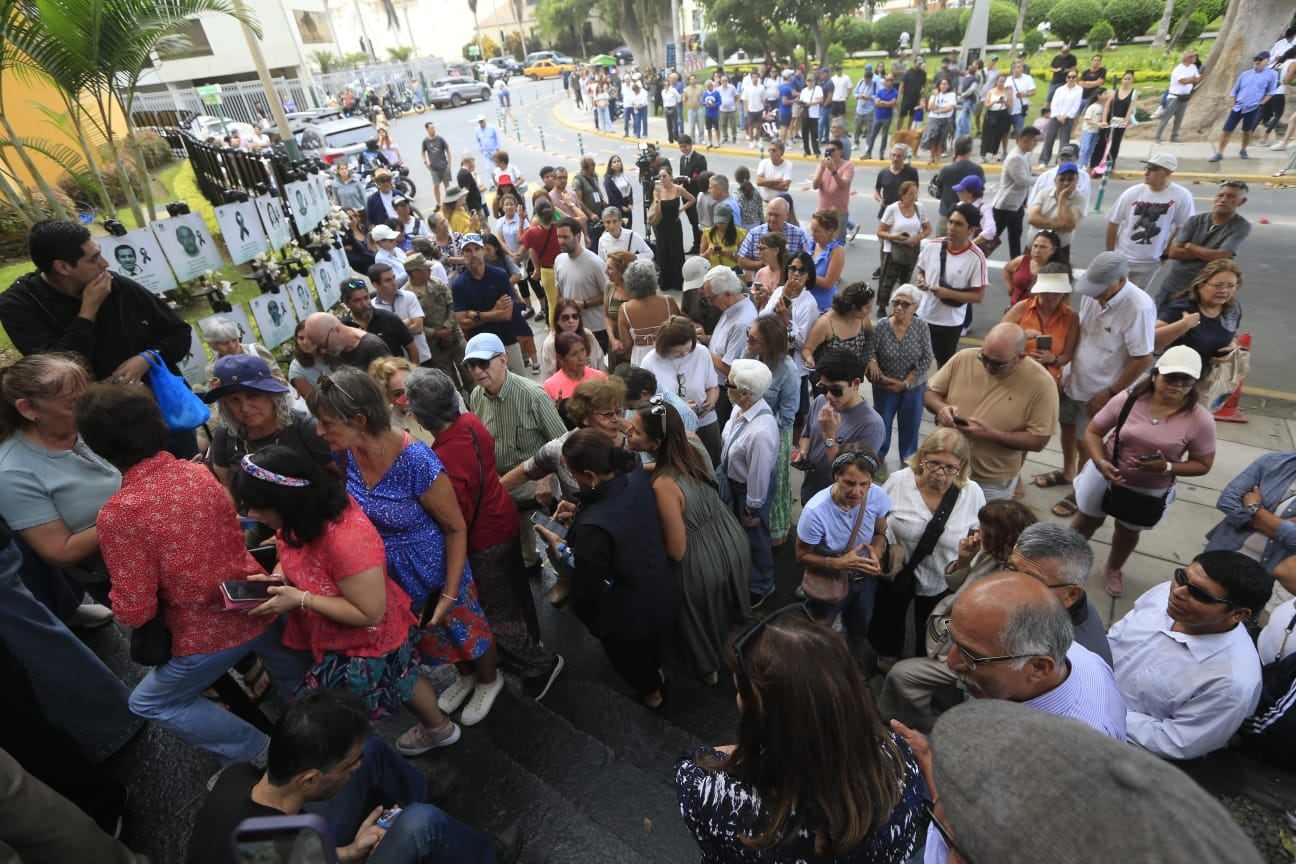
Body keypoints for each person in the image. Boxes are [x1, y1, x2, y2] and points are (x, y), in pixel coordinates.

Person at [76, 383, 306, 766]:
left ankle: (259, 752)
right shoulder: (194, 472)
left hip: (207, 629)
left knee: (149, 701)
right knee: (296, 677)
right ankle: (313, 726)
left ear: (96, 448)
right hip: (259, 596)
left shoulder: (120, 513)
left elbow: (134, 611)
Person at [229, 444, 460, 755]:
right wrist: (280, 577)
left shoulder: (346, 540)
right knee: (404, 678)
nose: (251, 515)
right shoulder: (300, 517)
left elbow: (369, 613)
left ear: (285, 500)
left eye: (257, 506)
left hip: (366, 642)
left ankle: (372, 757)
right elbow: (292, 550)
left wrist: (301, 599)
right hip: (339, 629)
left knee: (361, 703)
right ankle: (438, 728)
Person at [309, 370, 502, 729]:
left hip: (436, 568)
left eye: (326, 423)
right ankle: (466, 675)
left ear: (359, 420)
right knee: (430, 634)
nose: (320, 432)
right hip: (393, 576)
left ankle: (490, 679)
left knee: (466, 627)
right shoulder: (347, 453)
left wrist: (449, 589)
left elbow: (455, 526)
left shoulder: (416, 460)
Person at [676, 607, 923, 862]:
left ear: (767, 721)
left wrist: (740, 754)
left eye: (741, 691)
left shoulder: (708, 791)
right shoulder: (901, 764)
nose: (737, 698)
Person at [188, 690, 519, 864]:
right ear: (309, 779)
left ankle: (416, 790)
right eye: (348, 766)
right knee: (422, 824)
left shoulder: (238, 777)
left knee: (371, 751)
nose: (354, 768)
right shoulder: (283, 845)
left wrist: (348, 852)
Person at [404, 368, 564, 698]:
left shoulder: (442, 459)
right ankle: (530, 641)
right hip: (502, 518)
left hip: (483, 539)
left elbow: (454, 516)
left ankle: (538, 664)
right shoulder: (471, 424)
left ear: (419, 416)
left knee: (495, 609)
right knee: (516, 594)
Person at [0, 220, 197, 455]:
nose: (105, 264)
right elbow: (55, 373)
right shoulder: (19, 305)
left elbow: (178, 332)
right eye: (94, 258)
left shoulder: (117, 284)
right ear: (63, 267)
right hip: (102, 434)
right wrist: (88, 311)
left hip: (163, 415)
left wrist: (147, 358)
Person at [534, 430, 680, 707]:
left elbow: (588, 585)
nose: (570, 476)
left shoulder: (592, 529)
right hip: (657, 584)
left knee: (632, 659)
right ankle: (659, 673)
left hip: (625, 613)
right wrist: (580, 508)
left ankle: (653, 693)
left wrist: (561, 548)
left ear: (589, 475)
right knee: (654, 647)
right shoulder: (634, 475)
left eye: (571, 471)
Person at [1072, 346, 1217, 598]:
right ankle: (1064, 562)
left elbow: (1203, 464)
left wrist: (1168, 467)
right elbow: (1094, 432)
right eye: (1171, 377)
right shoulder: (1129, 399)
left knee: (1128, 531)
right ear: (1155, 375)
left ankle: (1113, 568)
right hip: (1104, 474)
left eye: (1186, 380)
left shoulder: (1200, 419)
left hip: (1149, 487)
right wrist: (1100, 463)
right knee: (1086, 520)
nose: (1178, 385)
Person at [878, 501, 1036, 731]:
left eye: (985, 532)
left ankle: (915, 723)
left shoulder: (1015, 578)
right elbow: (954, 584)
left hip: (960, 650)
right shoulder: (988, 553)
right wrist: (963, 559)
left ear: (1003, 537)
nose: (977, 535)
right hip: (944, 634)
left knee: (901, 675)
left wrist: (950, 633)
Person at [625, 399, 749, 683]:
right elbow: (666, 459)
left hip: (701, 561)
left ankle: (709, 668)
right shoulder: (691, 443)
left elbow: (677, 550)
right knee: (726, 606)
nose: (627, 433)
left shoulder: (663, 486)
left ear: (656, 442)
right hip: (730, 539)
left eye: (634, 430)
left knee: (700, 618)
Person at [1108, 550, 1273, 760]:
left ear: (1239, 614)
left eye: (1200, 594)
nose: (1178, 592)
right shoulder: (1165, 597)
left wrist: (1100, 706)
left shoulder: (1231, 683)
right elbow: (1116, 636)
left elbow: (1175, 742)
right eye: (1181, 577)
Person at [0, 354, 121, 597]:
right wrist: (138, 507)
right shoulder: (11, 472)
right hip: (119, 579)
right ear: (28, 409)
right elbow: (61, 551)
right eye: (75, 402)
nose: (91, 406)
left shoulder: (84, 425)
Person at [1046, 253, 1155, 519]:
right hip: (1076, 378)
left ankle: (1080, 489)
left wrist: (1111, 393)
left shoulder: (1138, 307)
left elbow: (1142, 358)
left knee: (1088, 441)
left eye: (1101, 289)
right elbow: (1080, 332)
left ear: (1120, 280)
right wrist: (1065, 370)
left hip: (1103, 389)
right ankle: (1068, 471)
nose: (1094, 295)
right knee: (1068, 427)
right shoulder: (1092, 294)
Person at [873, 429, 985, 667]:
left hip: (939, 577)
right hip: (898, 571)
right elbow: (877, 517)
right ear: (922, 456)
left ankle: (923, 663)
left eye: (950, 467)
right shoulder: (899, 481)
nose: (940, 473)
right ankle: (887, 653)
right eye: (934, 463)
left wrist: (970, 552)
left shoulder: (972, 493)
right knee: (889, 615)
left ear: (961, 466)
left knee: (932, 624)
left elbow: (978, 531)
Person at [924, 323, 1056, 501]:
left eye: (997, 364)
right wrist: (941, 409)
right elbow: (930, 394)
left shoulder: (1042, 384)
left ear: (1021, 357)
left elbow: (1039, 440)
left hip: (989, 482)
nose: (987, 365)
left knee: (980, 527)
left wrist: (992, 435)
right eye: (983, 357)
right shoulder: (964, 358)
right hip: (944, 466)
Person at [796, 447, 891, 647]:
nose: (857, 492)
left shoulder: (877, 496)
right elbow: (801, 555)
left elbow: (880, 533)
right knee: (818, 634)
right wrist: (837, 563)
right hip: (829, 579)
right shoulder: (815, 512)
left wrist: (877, 550)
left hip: (864, 581)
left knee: (859, 629)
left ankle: (851, 666)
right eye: (849, 483)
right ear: (835, 476)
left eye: (864, 484)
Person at [204, 354, 333, 492]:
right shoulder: (225, 434)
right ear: (225, 406)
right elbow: (227, 485)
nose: (245, 408)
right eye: (234, 400)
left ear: (272, 395)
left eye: (253, 396)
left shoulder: (306, 428)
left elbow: (341, 476)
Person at [1205, 452, 1296, 620]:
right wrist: (1275, 525)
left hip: (1267, 575)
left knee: (1237, 622)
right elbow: (1227, 500)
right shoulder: (1274, 461)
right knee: (1195, 600)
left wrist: (1255, 508)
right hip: (1224, 552)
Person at [720, 359, 780, 609]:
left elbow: (759, 478)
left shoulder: (761, 432)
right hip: (734, 481)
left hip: (749, 491)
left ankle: (762, 584)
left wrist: (751, 510)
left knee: (755, 537)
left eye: (729, 383)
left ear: (744, 393)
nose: (725, 386)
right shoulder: (740, 407)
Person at [795, 348, 885, 505]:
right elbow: (807, 434)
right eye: (823, 388)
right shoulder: (820, 402)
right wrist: (803, 451)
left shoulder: (871, 425)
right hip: (810, 493)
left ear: (856, 383)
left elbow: (850, 475)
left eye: (836, 390)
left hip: (837, 504)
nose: (829, 396)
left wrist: (829, 436)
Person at [1150, 180, 1251, 307]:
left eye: (1231, 196)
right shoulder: (1194, 221)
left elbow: (1222, 256)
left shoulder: (1240, 226)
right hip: (1174, 285)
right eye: (1221, 195)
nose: (1224, 199)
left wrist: (1190, 246)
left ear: (1242, 202)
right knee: (1159, 323)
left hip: (1203, 292)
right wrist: (1210, 253)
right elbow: (1174, 252)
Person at [745, 315, 799, 545]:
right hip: (747, 429)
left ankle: (775, 534)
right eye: (749, 335)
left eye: (753, 339)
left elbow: (788, 415)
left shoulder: (787, 369)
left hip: (773, 435)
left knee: (773, 485)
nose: (748, 342)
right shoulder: (750, 356)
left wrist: (761, 428)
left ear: (769, 345)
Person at [1105, 153, 1195, 288]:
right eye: (1146, 168)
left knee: (1136, 298)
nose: (1146, 173)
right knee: (1113, 295)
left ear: (1167, 172)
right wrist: (1111, 254)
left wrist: (1166, 252)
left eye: (1152, 169)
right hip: (1122, 258)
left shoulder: (1181, 196)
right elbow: (1113, 222)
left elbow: (1183, 227)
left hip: (1150, 261)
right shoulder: (1132, 193)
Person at [915, 203, 988, 368]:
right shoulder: (932, 246)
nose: (952, 228)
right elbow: (922, 270)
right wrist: (921, 280)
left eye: (959, 224)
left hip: (949, 323)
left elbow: (978, 296)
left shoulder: (976, 258)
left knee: (944, 364)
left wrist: (947, 293)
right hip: (922, 314)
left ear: (971, 230)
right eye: (951, 222)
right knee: (914, 359)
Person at [865, 284, 932, 464]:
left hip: (914, 388)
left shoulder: (921, 327)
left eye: (905, 304)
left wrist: (906, 383)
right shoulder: (881, 326)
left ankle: (908, 458)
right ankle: (878, 454)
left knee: (910, 424)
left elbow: (926, 358)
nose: (899, 307)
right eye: (896, 303)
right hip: (885, 386)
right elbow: (869, 352)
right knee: (882, 422)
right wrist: (880, 375)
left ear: (915, 307)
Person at [643, 316, 722, 465]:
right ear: (664, 347)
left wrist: (710, 402)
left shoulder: (701, 352)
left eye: (688, 350)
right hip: (672, 429)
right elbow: (647, 403)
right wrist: (680, 408)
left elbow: (713, 387)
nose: (685, 356)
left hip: (705, 422)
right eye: (678, 353)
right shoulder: (649, 362)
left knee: (713, 464)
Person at [451, 232, 526, 375]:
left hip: (507, 342)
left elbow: (506, 315)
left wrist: (476, 315)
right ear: (463, 254)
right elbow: (463, 323)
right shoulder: (458, 285)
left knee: (522, 387)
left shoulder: (500, 275)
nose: (473, 254)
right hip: (481, 349)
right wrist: (494, 310)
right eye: (468, 250)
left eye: (477, 249)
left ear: (484, 250)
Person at [1154, 259, 1243, 373]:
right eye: (1218, 285)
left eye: (1231, 286)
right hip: (1178, 378)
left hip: (1209, 378)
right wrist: (1183, 325)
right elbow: (1151, 341)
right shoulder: (1183, 308)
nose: (1224, 290)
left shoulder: (1233, 308)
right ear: (1201, 285)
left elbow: (1233, 333)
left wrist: (1232, 346)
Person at [1002, 265, 1078, 392]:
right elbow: (997, 338)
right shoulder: (1022, 308)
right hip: (1016, 379)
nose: (1050, 297)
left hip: (1048, 385)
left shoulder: (1071, 317)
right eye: (1045, 292)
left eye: (1056, 293)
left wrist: (1053, 359)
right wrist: (1022, 336)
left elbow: (1067, 355)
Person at [404, 254, 465, 387]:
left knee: (470, 373)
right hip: (434, 347)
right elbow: (411, 326)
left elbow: (452, 305)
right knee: (449, 384)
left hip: (454, 337)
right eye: (425, 268)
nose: (430, 270)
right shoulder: (406, 296)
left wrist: (447, 329)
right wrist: (436, 334)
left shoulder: (437, 283)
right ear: (415, 273)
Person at [1209, 52, 1279, 162]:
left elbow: (1270, 92)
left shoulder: (1272, 75)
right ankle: (1219, 153)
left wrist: (1261, 103)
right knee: (1227, 130)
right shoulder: (1245, 74)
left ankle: (1243, 149)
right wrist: (1233, 103)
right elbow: (1234, 91)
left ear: (1267, 61)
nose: (1257, 61)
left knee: (1247, 131)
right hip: (1238, 107)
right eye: (1256, 59)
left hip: (1253, 107)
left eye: (1260, 59)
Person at [876, 179, 930, 309]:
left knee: (905, 280)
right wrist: (895, 237)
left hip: (911, 249)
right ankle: (882, 306)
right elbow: (880, 231)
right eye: (910, 194)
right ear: (902, 194)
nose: (913, 197)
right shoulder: (893, 209)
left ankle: (901, 305)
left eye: (915, 193)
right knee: (887, 281)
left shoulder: (919, 208)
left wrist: (919, 237)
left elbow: (928, 228)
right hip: (894, 250)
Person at [990, 126, 1040, 260]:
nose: (1036, 144)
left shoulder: (1024, 155)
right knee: (991, 237)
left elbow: (1029, 173)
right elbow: (1023, 180)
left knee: (1015, 235)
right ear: (1025, 141)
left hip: (1017, 204)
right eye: (1034, 141)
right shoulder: (1015, 158)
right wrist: (1041, 179)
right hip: (1005, 205)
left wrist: (1044, 175)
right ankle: (976, 259)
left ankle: (1015, 262)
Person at [617, 259, 680, 367]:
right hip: (667, 352)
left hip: (641, 357)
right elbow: (680, 330)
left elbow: (626, 344)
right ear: (653, 280)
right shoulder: (668, 301)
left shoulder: (625, 309)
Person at [340, 278, 417, 363]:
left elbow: (412, 349)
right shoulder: (344, 328)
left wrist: (412, 374)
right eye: (357, 301)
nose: (364, 304)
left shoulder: (389, 318)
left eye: (366, 298)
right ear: (347, 303)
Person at [369, 356, 436, 446]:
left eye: (411, 386)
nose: (408, 397)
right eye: (398, 393)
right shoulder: (390, 427)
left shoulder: (436, 403)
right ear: (386, 396)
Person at [371, 264, 430, 364]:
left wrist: (391, 332)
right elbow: (382, 339)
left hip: (422, 357)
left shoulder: (408, 296)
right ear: (376, 285)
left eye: (394, 278)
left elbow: (418, 328)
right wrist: (406, 322)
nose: (394, 283)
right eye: (388, 280)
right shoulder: (373, 308)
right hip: (398, 365)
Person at [1026, 163, 1086, 260]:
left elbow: (1069, 224)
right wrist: (1060, 225)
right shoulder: (1044, 193)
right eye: (1062, 179)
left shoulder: (1079, 198)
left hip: (1059, 251)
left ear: (1077, 180)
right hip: (1034, 247)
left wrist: (1062, 198)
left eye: (1070, 179)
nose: (1066, 183)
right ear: (1055, 180)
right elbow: (1032, 218)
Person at [736, 196, 809, 274]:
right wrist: (764, 265)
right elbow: (741, 261)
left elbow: (808, 262)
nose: (772, 219)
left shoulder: (798, 234)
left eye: (777, 215)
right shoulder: (754, 233)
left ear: (787, 215)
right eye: (770, 214)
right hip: (762, 283)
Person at [540, 298, 607, 379]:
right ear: (557, 321)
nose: (571, 321)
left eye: (575, 316)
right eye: (565, 318)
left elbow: (600, 362)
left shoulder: (587, 334)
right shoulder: (550, 344)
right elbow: (548, 376)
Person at [1002, 228, 1064, 305]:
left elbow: (1063, 300)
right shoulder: (1022, 260)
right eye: (1035, 246)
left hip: (1037, 314)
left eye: (1043, 247)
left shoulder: (1057, 271)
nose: (1037, 250)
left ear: (1053, 250)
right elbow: (1007, 269)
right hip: (1015, 309)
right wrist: (1010, 289)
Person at [200, 318, 276, 381]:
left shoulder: (257, 351)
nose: (232, 346)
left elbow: (282, 381)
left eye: (234, 340)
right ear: (213, 346)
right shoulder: (212, 370)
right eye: (224, 343)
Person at [543, 331, 609, 401]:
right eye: (574, 354)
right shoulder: (549, 387)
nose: (581, 358)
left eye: (582, 350)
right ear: (560, 358)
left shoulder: (599, 377)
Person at [806, 209, 844, 313]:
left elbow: (828, 283)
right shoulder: (811, 244)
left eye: (817, 231)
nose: (813, 234)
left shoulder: (837, 251)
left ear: (830, 230)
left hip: (823, 305)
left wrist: (806, 274)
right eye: (812, 230)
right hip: (806, 302)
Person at [699, 204, 746, 272]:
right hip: (713, 271)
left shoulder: (739, 233)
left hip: (733, 270)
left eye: (723, 222)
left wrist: (731, 254)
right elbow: (700, 258)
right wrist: (707, 254)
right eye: (718, 221)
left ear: (730, 219)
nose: (720, 225)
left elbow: (744, 260)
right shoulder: (707, 233)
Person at [922, 78, 958, 164]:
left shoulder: (951, 95)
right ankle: (932, 156)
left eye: (945, 84)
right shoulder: (935, 95)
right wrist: (934, 96)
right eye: (942, 84)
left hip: (945, 118)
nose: (943, 86)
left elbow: (950, 107)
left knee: (941, 139)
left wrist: (939, 111)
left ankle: (938, 157)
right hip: (934, 118)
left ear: (948, 85)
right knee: (932, 137)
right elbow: (930, 107)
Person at [421, 121, 452, 209]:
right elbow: (423, 152)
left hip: (444, 166)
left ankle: (449, 201)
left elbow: (447, 150)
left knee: (447, 185)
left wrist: (449, 163)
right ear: (427, 129)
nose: (433, 129)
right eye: (431, 128)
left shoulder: (440, 139)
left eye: (434, 128)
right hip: (434, 168)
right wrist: (425, 162)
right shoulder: (425, 141)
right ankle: (438, 204)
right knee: (436, 186)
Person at [601, 157, 637, 231]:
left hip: (628, 208)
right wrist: (621, 207)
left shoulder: (624, 176)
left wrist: (630, 203)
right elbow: (611, 196)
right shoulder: (609, 179)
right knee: (619, 230)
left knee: (628, 229)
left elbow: (630, 191)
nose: (617, 163)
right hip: (616, 209)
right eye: (614, 162)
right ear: (610, 166)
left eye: (618, 161)